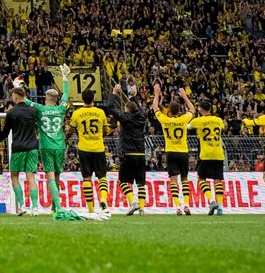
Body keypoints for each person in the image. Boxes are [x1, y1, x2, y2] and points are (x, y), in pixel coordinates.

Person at [29, 63, 71, 217]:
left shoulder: (40, 109)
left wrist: (17, 87)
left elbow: (27, 102)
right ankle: (54, 207)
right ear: (56, 99)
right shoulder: (61, 108)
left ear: (47, 98)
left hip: (46, 146)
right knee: (58, 176)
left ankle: (58, 207)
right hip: (60, 146)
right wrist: (65, 77)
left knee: (50, 176)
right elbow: (66, 95)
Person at [152, 83, 195, 215]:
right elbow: (192, 110)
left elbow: (154, 108)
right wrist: (185, 96)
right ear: (179, 110)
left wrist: (157, 93)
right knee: (184, 179)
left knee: (173, 181)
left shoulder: (165, 120)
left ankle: (177, 207)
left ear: (169, 111)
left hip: (170, 152)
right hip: (183, 152)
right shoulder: (183, 119)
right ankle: (187, 204)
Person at [108, 83, 149, 215]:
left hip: (128, 153)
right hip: (141, 153)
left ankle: (133, 202)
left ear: (127, 110)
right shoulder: (142, 118)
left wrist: (114, 92)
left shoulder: (125, 118)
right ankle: (142, 209)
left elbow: (110, 107)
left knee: (123, 181)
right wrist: (133, 97)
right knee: (140, 182)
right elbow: (141, 110)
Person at [2, 86, 42, 215]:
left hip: (18, 147)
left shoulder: (11, 112)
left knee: (14, 176)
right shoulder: (33, 111)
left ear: (15, 97)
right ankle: (35, 208)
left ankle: (22, 206)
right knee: (31, 177)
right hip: (32, 147)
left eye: (12, 96)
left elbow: (5, 133)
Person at [69, 89, 110, 213]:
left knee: (87, 178)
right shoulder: (100, 112)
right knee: (102, 176)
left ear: (82, 99)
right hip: (98, 148)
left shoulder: (77, 113)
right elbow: (105, 131)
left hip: (84, 148)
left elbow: (70, 131)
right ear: (94, 99)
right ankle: (103, 198)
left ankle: (91, 210)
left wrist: (66, 138)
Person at [187, 94, 227, 215]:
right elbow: (223, 128)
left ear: (200, 109)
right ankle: (220, 207)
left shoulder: (198, 121)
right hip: (219, 153)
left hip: (205, 154)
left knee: (201, 179)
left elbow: (187, 127)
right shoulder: (218, 120)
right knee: (218, 180)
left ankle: (211, 200)